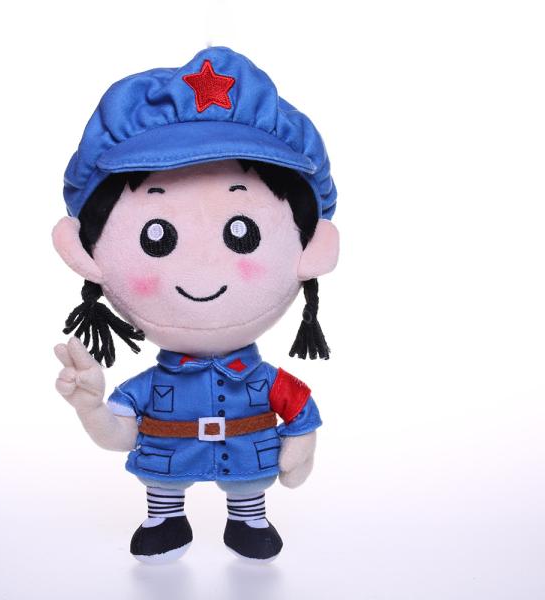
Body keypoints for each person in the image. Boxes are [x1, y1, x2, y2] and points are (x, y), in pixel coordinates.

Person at [53, 47, 339, 563]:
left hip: (246, 457)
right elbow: (121, 434)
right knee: (163, 485)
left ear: (312, 251)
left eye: (242, 233)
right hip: (168, 458)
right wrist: (92, 406)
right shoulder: (149, 387)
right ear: (87, 257)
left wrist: (302, 439)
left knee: (248, 486)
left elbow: (299, 410)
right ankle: (165, 519)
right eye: (156, 236)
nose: (203, 270)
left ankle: (248, 519)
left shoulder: (264, 380)